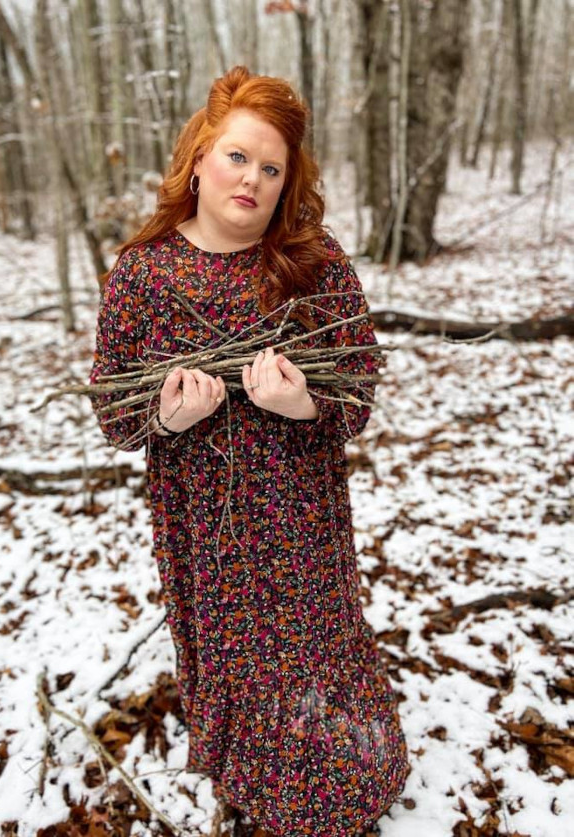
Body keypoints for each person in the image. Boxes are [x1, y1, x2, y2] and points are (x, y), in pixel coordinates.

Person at [89, 66, 410, 837]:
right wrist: (164, 422)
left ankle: (341, 780)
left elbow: (359, 386)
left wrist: (300, 402)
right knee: (235, 659)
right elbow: (112, 410)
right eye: (237, 157)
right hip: (204, 523)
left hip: (300, 511)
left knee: (315, 649)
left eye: (271, 168)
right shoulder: (143, 273)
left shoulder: (312, 261)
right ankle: (248, 769)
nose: (252, 179)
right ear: (197, 158)